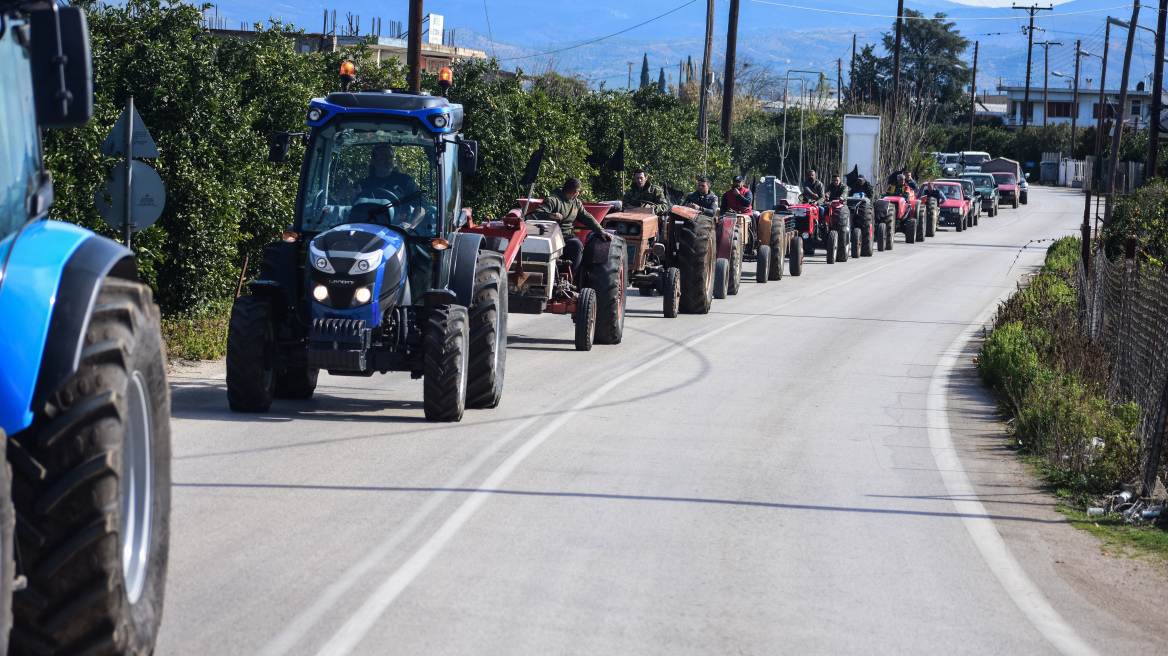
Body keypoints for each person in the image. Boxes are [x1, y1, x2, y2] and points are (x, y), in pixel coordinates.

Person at [538, 177, 611, 283]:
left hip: (568, 238)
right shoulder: (553, 200)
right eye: (579, 191)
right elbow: (539, 212)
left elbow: (586, 217)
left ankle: (569, 281)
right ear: (575, 192)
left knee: (577, 245)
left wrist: (600, 231)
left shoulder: (576, 203)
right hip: (552, 237)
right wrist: (551, 216)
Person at [354, 144, 424, 227]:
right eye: (384, 157)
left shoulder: (405, 181)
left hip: (399, 229)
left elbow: (422, 205)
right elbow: (355, 211)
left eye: (390, 157)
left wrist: (411, 224)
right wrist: (354, 199)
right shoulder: (362, 184)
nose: (388, 160)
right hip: (368, 226)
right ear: (373, 161)